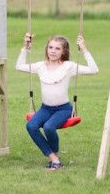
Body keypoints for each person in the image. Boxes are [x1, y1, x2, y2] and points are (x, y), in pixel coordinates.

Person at [15, 33, 99, 170]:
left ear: (64, 51)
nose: (53, 51)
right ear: (47, 49)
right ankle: (54, 158)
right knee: (31, 126)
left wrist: (84, 50)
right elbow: (19, 66)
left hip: (63, 109)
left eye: (57, 48)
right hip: (45, 109)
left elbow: (94, 70)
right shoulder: (40, 66)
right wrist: (25, 48)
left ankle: (55, 160)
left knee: (49, 127)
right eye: (51, 47)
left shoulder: (68, 66)